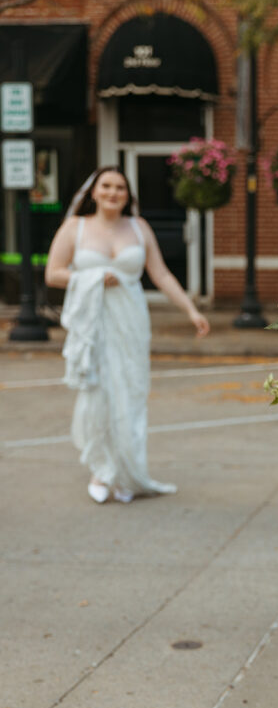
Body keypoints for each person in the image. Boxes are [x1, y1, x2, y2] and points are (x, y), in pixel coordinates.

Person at [45, 166, 209, 504]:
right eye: (106, 186)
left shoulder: (139, 227)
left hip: (131, 320)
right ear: (94, 192)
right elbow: (53, 274)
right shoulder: (75, 228)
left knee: (130, 394)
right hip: (94, 323)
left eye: (120, 187)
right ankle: (101, 470)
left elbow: (161, 274)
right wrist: (94, 276)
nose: (112, 192)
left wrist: (191, 311)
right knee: (100, 393)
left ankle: (126, 472)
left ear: (127, 195)